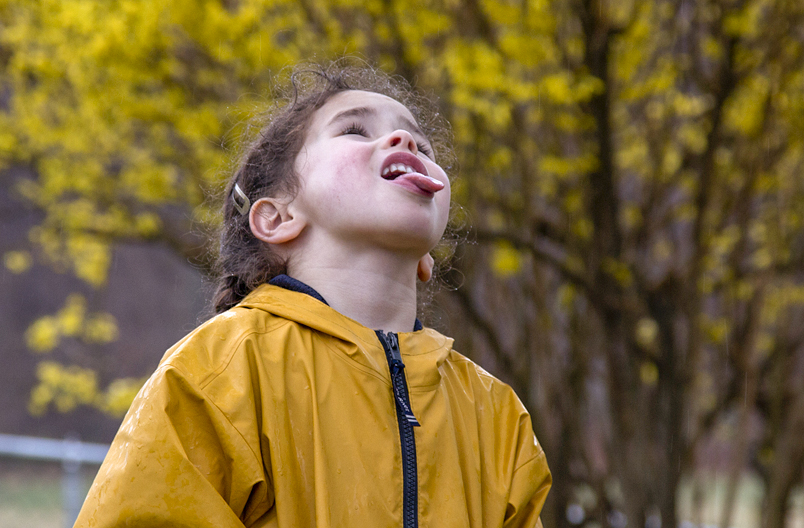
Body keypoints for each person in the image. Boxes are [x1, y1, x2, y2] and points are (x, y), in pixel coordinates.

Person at [75, 61, 551, 528]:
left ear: (428, 256)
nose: (405, 140)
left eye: (422, 144)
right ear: (277, 217)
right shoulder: (219, 372)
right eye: (355, 131)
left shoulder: (497, 415)